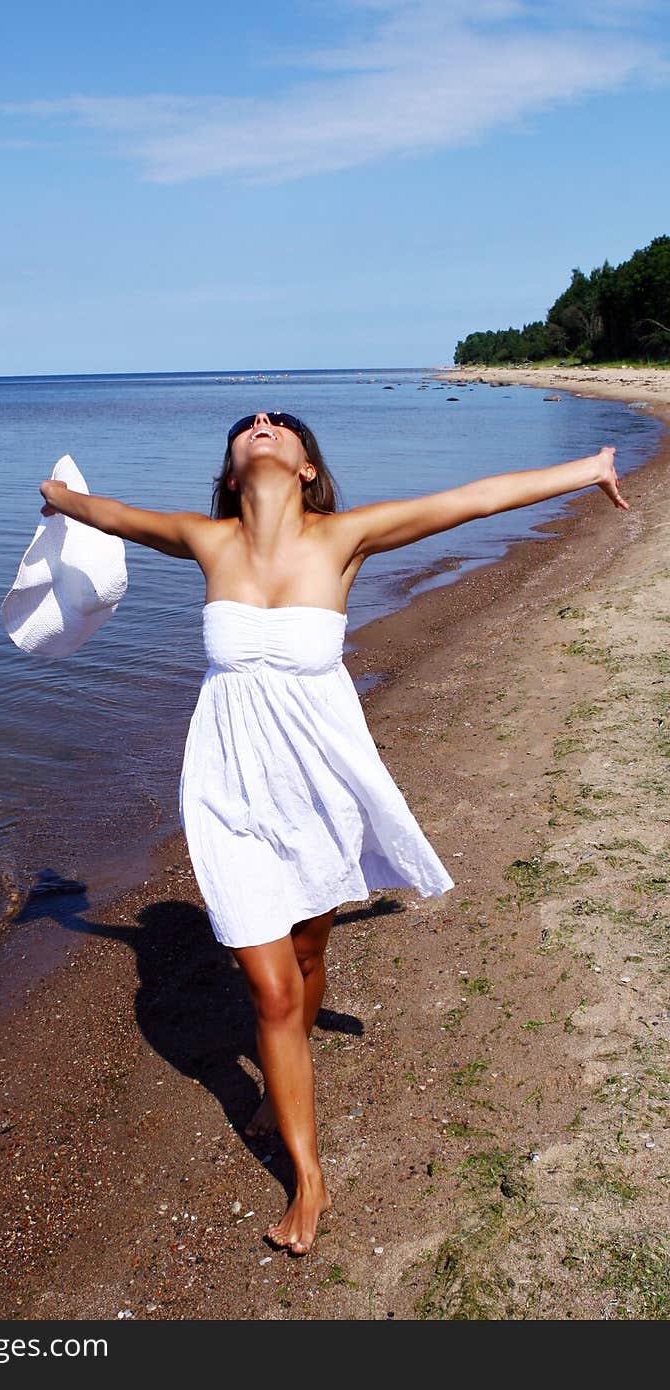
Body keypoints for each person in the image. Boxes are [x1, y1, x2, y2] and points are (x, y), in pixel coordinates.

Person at [40, 410, 629, 1256]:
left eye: (280, 425)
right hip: (230, 785)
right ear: (234, 471)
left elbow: (473, 500)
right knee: (272, 991)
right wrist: (57, 495)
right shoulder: (207, 541)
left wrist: (590, 466)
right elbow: (113, 515)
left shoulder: (346, 537)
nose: (265, 425)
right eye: (249, 428)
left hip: (318, 782)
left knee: (311, 954)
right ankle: (309, 1178)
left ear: (308, 467)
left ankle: (289, 1065)